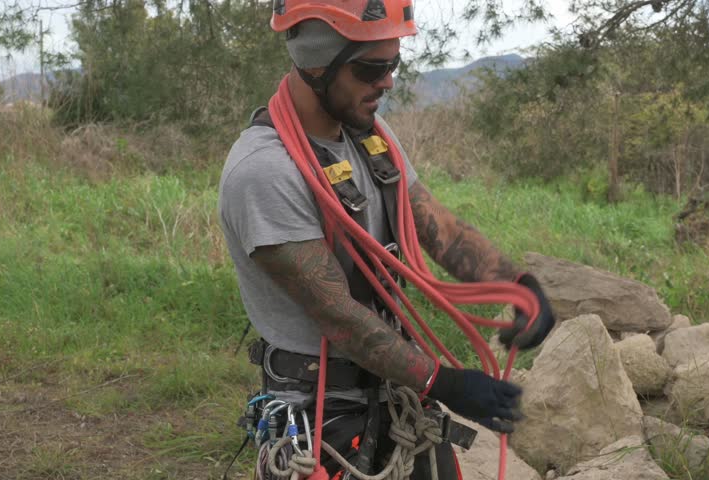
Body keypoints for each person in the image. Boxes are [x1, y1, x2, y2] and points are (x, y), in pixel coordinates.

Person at [218, 1, 556, 478]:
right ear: (318, 62)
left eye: (393, 64)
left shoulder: (369, 135)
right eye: (372, 68)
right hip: (322, 417)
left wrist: (515, 283)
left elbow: (435, 225)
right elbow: (338, 315)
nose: (388, 82)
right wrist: (443, 382)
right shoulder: (264, 173)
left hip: (395, 395)